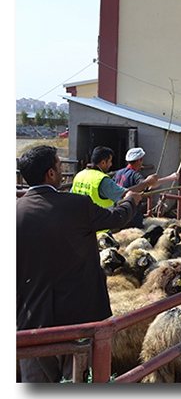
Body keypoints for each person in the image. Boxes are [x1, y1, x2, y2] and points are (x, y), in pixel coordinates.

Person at [16, 145, 141, 382]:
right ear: (50, 174)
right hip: (77, 320)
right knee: (77, 381)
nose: (62, 169)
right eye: (59, 165)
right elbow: (117, 217)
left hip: (31, 323)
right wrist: (131, 201)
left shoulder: (14, 212)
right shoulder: (77, 206)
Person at [72, 146, 159, 210]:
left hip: (82, 221)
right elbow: (125, 193)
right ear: (103, 162)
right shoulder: (102, 180)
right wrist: (146, 182)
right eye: (109, 161)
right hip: (100, 225)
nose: (111, 164)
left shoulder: (79, 175)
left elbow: (71, 196)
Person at [113, 147, 179, 228]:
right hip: (132, 216)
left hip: (118, 213)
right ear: (138, 160)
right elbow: (150, 185)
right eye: (141, 160)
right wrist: (171, 177)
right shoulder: (135, 175)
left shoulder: (119, 173)